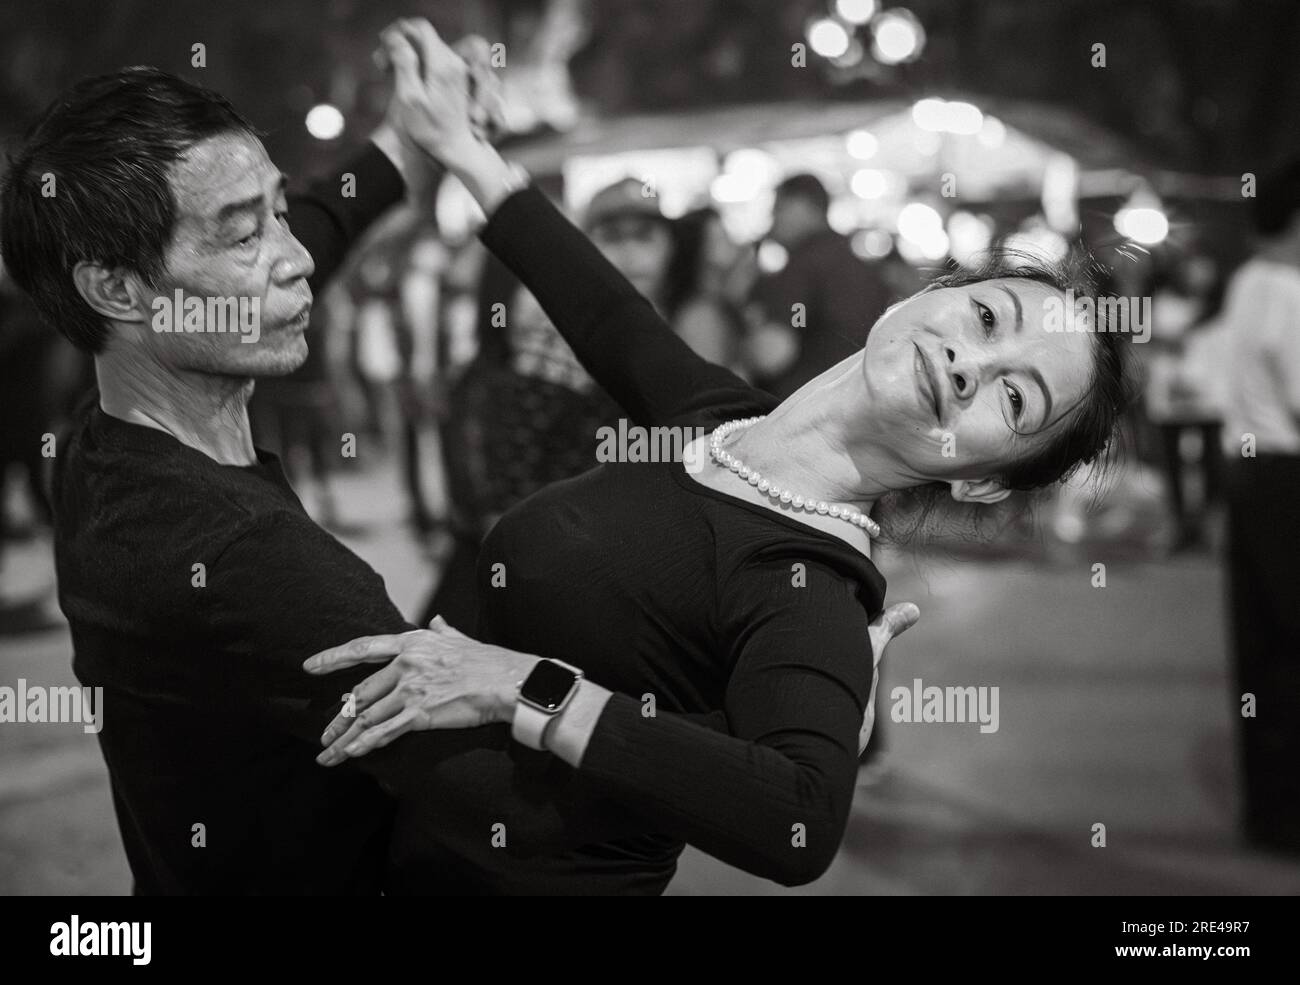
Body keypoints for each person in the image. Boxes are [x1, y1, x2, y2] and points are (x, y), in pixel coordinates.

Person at [305, 24, 1138, 894]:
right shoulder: (718, 424)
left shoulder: (810, 583)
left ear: (983, 477)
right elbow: (596, 301)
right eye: (990, 318)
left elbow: (800, 823)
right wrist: (456, 144)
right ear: (938, 294)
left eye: (1016, 399)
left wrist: (528, 690)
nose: (975, 363)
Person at [1217, 159, 1300, 856]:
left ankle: (1268, 811)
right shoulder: (1293, 292)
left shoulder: (1247, 282)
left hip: (1246, 475)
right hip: (1287, 474)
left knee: (1261, 645)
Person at [746, 172, 893, 399]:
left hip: (806, 403)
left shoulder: (802, 265)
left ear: (803, 207)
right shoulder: (857, 262)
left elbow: (772, 354)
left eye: (779, 208)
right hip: (862, 399)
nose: (772, 217)